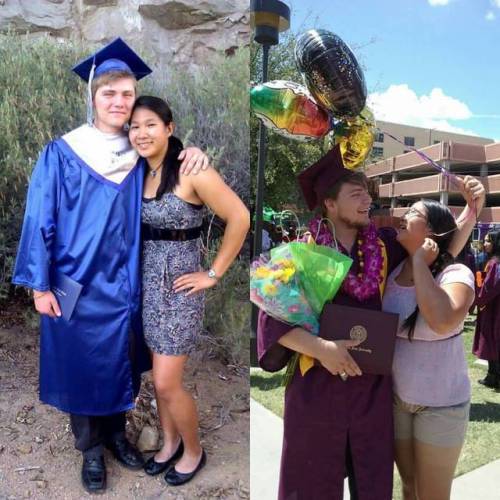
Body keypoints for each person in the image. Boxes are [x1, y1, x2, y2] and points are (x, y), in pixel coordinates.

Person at [11, 39, 209, 494]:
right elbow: (39, 218)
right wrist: (39, 284)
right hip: (73, 281)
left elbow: (177, 166)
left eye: (126, 94)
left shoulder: (140, 149)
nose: (119, 102)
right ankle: (90, 450)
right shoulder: (63, 152)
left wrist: (193, 150)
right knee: (82, 364)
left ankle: (118, 435)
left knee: (120, 358)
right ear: (93, 98)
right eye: (109, 94)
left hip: (127, 283)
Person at [256, 145, 485, 500]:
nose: (367, 201)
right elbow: (271, 321)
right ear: (330, 204)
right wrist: (322, 349)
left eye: (367, 192)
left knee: (374, 485)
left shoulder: (382, 247)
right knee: (311, 485)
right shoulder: (298, 255)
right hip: (317, 390)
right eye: (356, 194)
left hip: (372, 395)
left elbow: (439, 242)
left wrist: (472, 211)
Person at [128, 96, 249, 485]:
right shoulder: (137, 171)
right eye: (134, 126)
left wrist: (213, 273)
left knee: (166, 381)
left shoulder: (192, 171)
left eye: (150, 124)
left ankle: (193, 451)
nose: (141, 133)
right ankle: (168, 443)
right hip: (147, 288)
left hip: (180, 291)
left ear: (169, 128)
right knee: (158, 377)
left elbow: (240, 217)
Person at [382, 200, 476, 500]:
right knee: (409, 486)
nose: (403, 215)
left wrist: (421, 263)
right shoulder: (392, 269)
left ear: (431, 232)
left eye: (413, 213)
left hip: (442, 406)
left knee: (433, 495)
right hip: (398, 402)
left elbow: (442, 320)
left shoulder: (455, 274)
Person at [473, 230, 500, 388]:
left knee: (491, 338)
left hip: (493, 308)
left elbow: (490, 287)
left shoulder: (495, 263)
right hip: (493, 306)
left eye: (489, 241)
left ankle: (494, 377)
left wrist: (478, 299)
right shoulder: (493, 262)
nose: (485, 244)